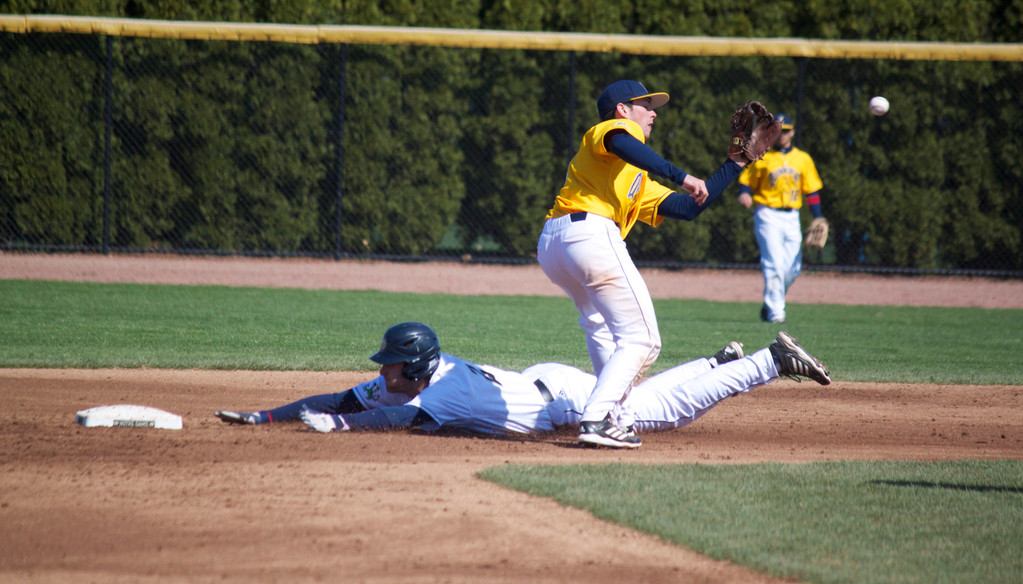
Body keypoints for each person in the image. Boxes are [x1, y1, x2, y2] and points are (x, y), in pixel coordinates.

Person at [536, 80, 769, 448]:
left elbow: (689, 207)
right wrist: (681, 175)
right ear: (622, 110)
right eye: (645, 104)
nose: (654, 112)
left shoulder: (632, 178)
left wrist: (735, 163)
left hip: (556, 244)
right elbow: (623, 144)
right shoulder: (612, 132)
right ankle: (596, 419)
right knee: (643, 339)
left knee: (599, 327)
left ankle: (611, 415)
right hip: (588, 235)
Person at [215, 322, 831, 446]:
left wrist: (344, 427)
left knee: (658, 415)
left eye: (390, 366)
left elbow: (390, 419)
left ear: (418, 367)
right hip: (544, 383)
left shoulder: (440, 390)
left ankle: (766, 364)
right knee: (645, 401)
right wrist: (269, 416)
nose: (381, 373)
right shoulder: (416, 379)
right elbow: (341, 398)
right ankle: (716, 364)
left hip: (556, 402)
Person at [737, 112, 825, 324]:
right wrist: (744, 193)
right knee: (774, 265)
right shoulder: (761, 155)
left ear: (792, 132)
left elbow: (811, 190)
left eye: (786, 131)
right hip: (767, 214)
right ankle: (777, 314)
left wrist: (818, 217)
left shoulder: (803, 159)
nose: (782, 135)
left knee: (793, 269)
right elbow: (746, 180)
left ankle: (770, 304)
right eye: (777, 131)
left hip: (792, 216)